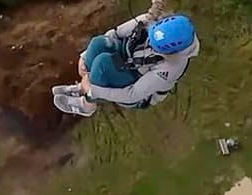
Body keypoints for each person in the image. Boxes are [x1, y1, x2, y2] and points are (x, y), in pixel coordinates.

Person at [51, 12, 199, 117]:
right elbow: (114, 34)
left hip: (137, 90)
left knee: (103, 64)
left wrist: (94, 90)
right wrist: (84, 57)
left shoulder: (171, 68)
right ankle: (84, 87)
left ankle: (87, 104)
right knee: (98, 43)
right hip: (130, 56)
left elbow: (132, 94)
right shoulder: (150, 22)